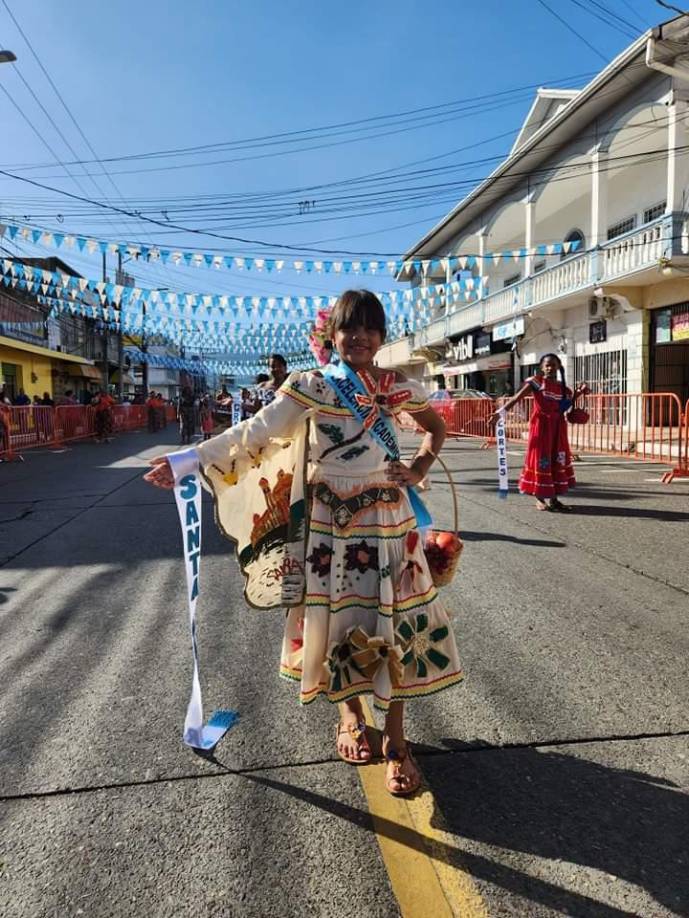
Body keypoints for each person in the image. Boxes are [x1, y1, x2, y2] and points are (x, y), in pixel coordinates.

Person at [145, 289, 462, 797]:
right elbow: (254, 434)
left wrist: (418, 467)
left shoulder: (400, 387)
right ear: (331, 336)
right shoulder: (311, 386)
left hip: (388, 522)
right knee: (337, 620)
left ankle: (398, 744)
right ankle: (352, 716)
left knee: (399, 623)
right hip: (329, 529)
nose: (359, 336)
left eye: (369, 327)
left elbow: (435, 428)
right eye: (348, 327)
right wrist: (186, 461)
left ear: (381, 336)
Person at [488, 353, 587, 512]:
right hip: (541, 427)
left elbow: (564, 408)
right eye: (547, 365)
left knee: (556, 459)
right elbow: (516, 398)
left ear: (559, 366)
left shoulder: (564, 388)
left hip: (558, 428)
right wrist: (500, 413)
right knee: (542, 459)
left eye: (553, 365)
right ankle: (540, 498)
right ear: (542, 367)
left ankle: (554, 499)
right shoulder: (536, 382)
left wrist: (577, 394)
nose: (550, 368)